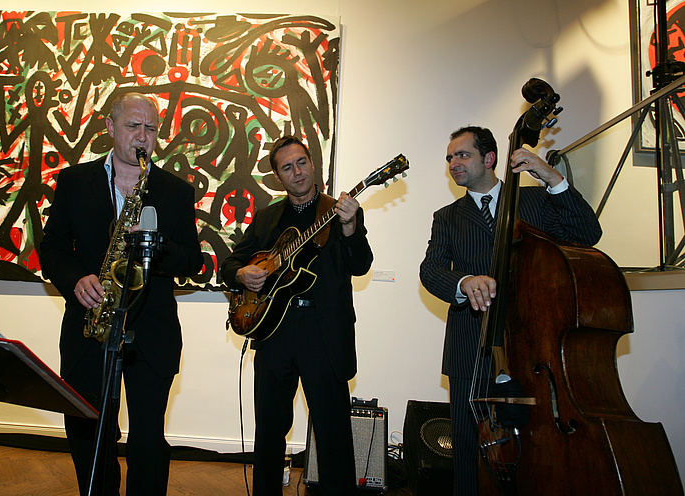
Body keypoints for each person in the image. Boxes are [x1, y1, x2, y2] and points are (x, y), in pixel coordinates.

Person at [419, 126, 601, 496]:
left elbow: (587, 233)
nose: (453, 163)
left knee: (536, 442)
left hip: (533, 344)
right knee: (469, 447)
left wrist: (551, 177)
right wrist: (464, 282)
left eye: (462, 154)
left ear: (489, 158)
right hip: (471, 344)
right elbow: (431, 270)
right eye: (449, 158)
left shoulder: (534, 201)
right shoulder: (447, 216)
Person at [39, 92, 203, 496]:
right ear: (110, 127)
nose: (142, 136)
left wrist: (154, 246)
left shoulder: (175, 191)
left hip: (152, 332)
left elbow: (192, 261)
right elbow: (53, 248)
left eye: (151, 128)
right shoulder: (74, 181)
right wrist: (76, 279)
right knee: (88, 434)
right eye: (133, 126)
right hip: (90, 327)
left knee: (148, 440)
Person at [220, 135, 374, 495]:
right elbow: (230, 262)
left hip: (324, 334)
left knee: (332, 432)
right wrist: (241, 274)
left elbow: (361, 265)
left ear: (312, 164)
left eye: (302, 162)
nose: (298, 172)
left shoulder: (339, 211)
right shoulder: (267, 218)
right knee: (269, 430)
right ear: (278, 177)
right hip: (274, 332)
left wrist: (350, 228)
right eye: (287, 167)